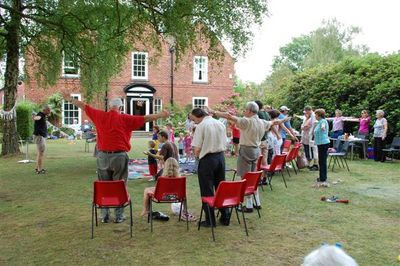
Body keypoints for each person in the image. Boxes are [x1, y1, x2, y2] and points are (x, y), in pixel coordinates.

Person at [61, 92, 169, 223]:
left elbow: (84, 106)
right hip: (119, 156)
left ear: (110, 107)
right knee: (120, 185)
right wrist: (161, 115)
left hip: (102, 156)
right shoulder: (126, 119)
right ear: (121, 108)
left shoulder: (100, 115)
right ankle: (119, 216)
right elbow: (145, 118)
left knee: (104, 185)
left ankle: (104, 216)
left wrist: (70, 99)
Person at [209, 102, 288, 213]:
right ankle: (257, 202)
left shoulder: (247, 121)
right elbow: (274, 122)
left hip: (246, 150)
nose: (244, 112)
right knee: (253, 177)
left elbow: (229, 116)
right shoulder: (262, 122)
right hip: (256, 150)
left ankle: (249, 205)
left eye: (245, 110)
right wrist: (284, 120)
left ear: (250, 111)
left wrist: (214, 112)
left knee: (245, 178)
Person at [191, 108, 230, 227]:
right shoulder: (220, 123)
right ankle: (225, 216)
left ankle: (210, 220)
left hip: (207, 159)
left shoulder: (201, 126)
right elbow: (226, 142)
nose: (194, 122)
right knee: (220, 187)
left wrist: (197, 156)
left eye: (193, 119)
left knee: (207, 189)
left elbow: (196, 148)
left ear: (198, 116)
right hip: (220, 158)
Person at [313, 109, 330, 188]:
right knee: (321, 161)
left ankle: (323, 178)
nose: (315, 116)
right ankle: (322, 177)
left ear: (319, 115)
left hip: (323, 143)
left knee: (322, 161)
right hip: (320, 144)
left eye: (316, 115)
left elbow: (323, 127)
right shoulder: (319, 122)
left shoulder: (323, 121)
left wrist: (323, 128)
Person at [33, 105, 51, 174]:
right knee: (41, 153)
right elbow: (36, 118)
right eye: (49, 110)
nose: (50, 112)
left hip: (40, 136)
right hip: (39, 136)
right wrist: (35, 117)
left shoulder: (43, 115)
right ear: (45, 110)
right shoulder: (40, 115)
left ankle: (37, 168)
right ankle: (39, 170)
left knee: (39, 153)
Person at [255, 100, 270, 166]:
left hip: (259, 139)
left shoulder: (258, 114)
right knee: (264, 158)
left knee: (258, 159)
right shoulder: (266, 113)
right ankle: (264, 175)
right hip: (265, 138)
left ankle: (258, 174)